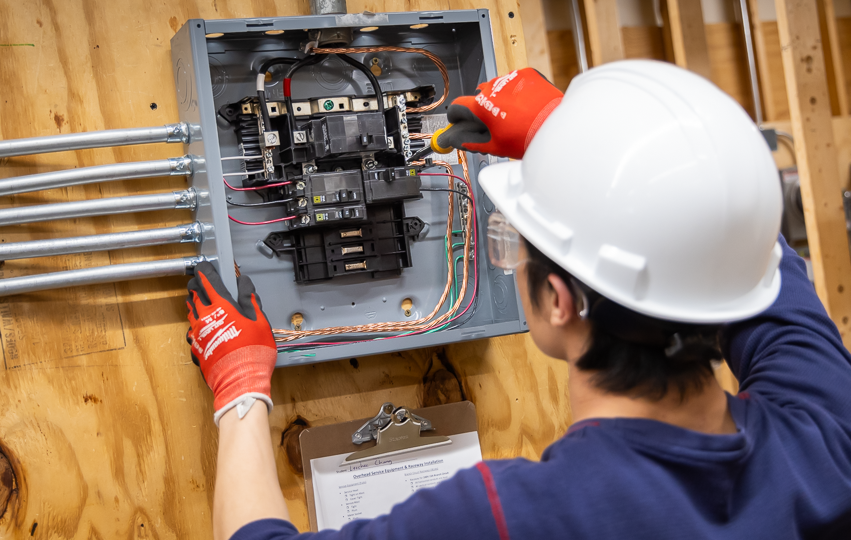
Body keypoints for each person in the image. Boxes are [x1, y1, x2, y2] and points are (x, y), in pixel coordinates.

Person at [185, 60, 851, 539]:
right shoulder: (823, 434)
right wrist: (575, 150)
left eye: (515, 243)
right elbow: (732, 240)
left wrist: (240, 389)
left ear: (559, 300)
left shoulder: (510, 517)